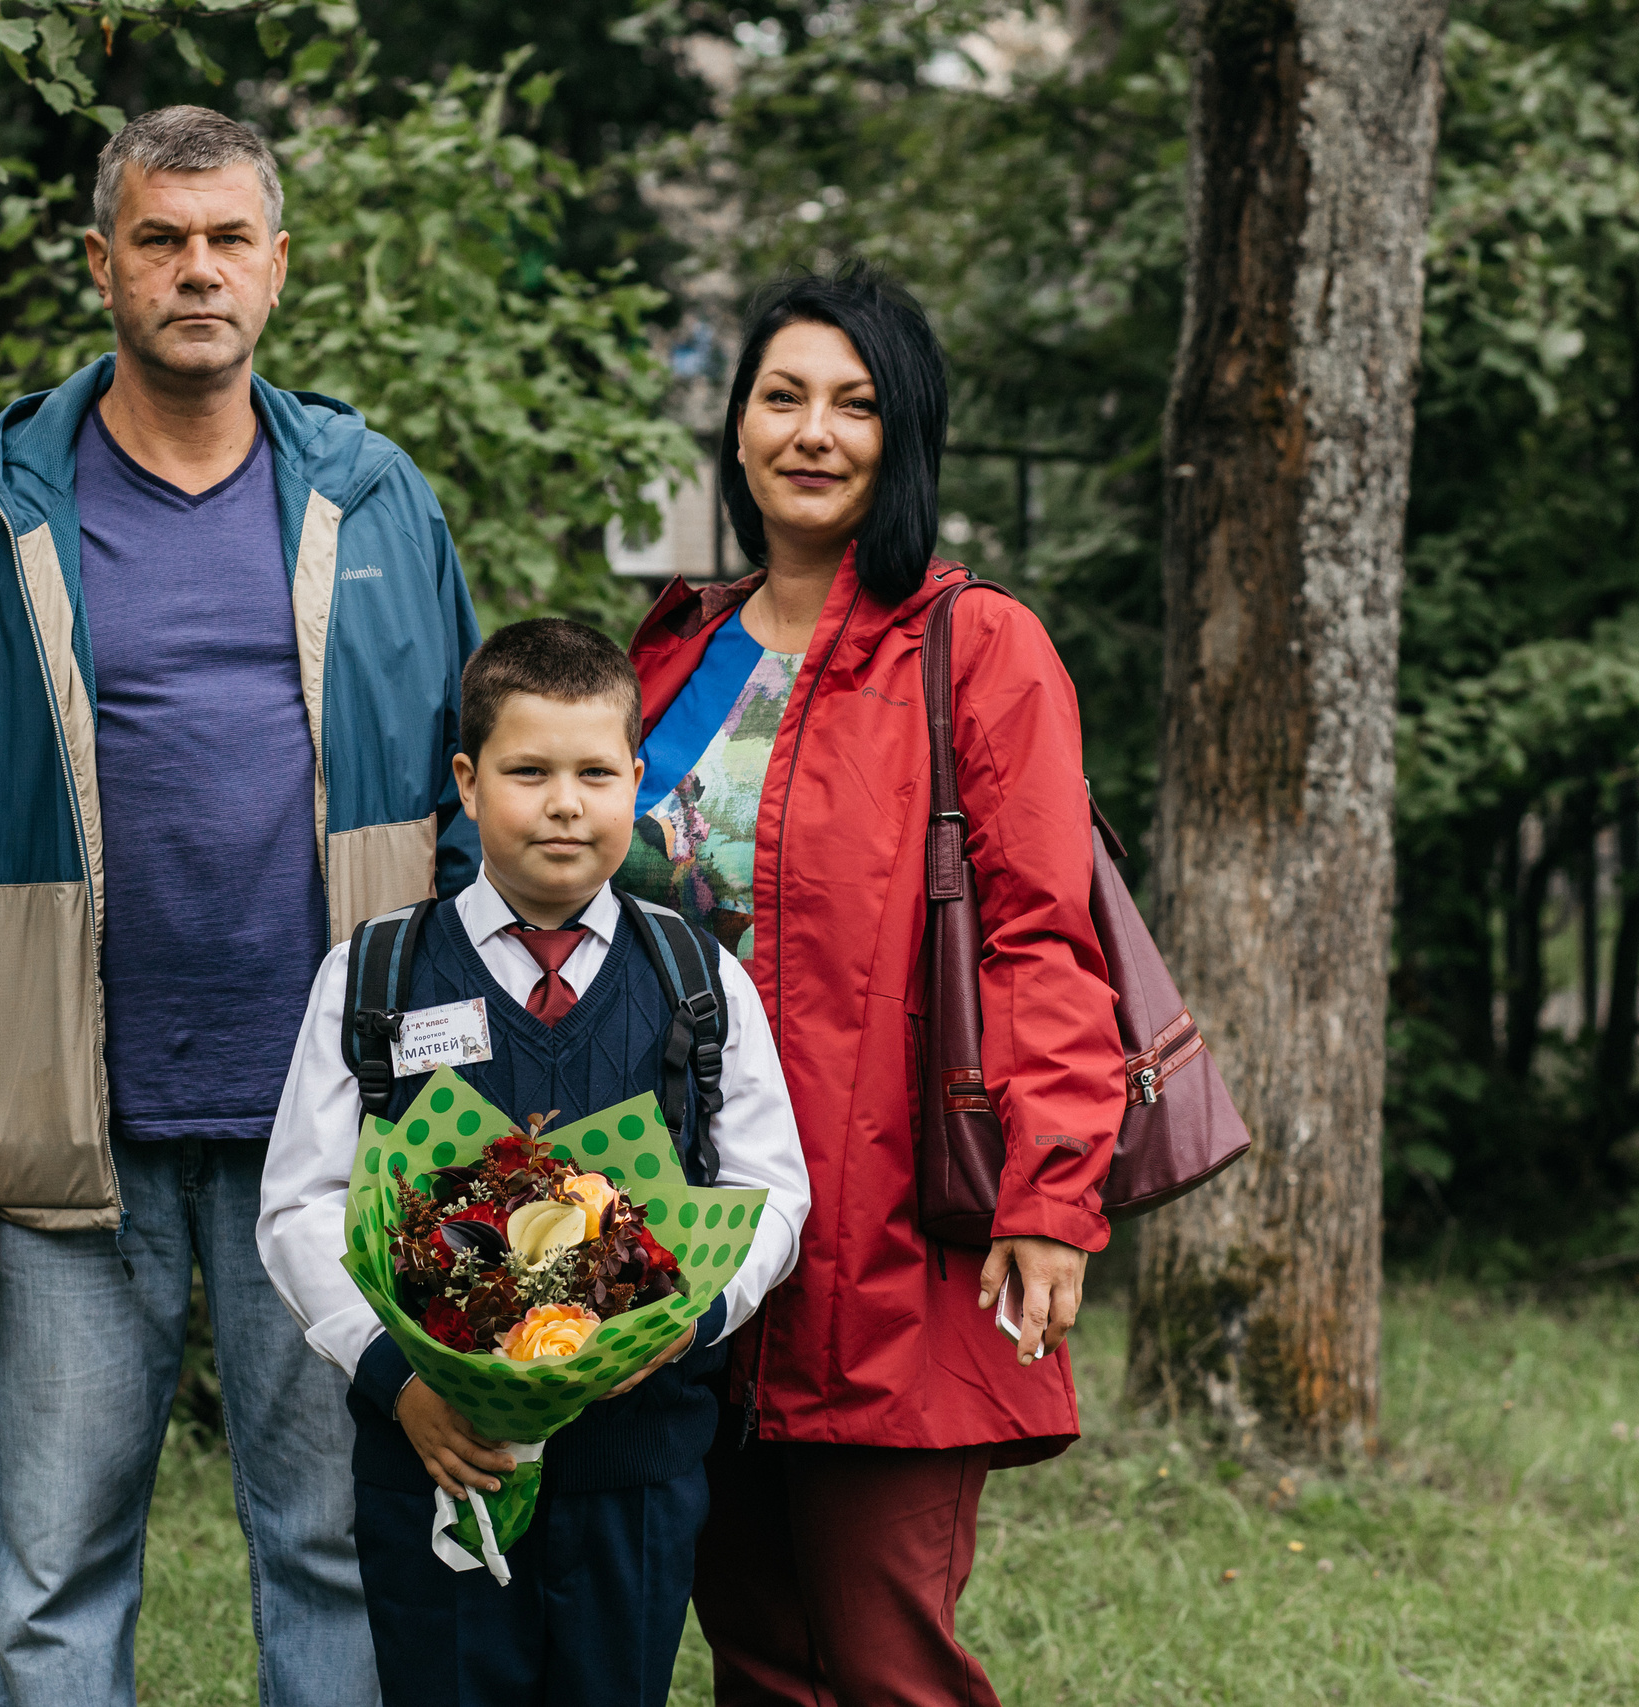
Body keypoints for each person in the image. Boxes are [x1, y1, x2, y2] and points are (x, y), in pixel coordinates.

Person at [0, 105, 480, 1707]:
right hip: (62, 1129)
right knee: (54, 1574)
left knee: (337, 1551)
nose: (196, 269)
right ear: (102, 263)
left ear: (279, 263)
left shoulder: (377, 497)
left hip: (336, 1125)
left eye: (227, 238)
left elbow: (470, 805)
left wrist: (463, 1084)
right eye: (160, 238)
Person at [616, 266, 1126, 1706]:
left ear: (907, 437)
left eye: (857, 403)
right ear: (737, 426)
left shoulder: (979, 647)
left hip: (893, 1227)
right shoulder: (678, 651)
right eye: (783, 396)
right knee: (758, 1650)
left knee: (888, 1654)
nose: (815, 431)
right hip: (690, 1223)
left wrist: (1050, 1194)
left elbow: (1041, 937)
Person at [258, 619, 812, 1707]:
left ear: (637, 782)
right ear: (467, 783)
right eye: (528, 772)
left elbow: (771, 1191)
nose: (565, 802)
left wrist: (690, 1321)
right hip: (438, 1459)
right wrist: (402, 1381)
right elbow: (303, 1206)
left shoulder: (698, 980)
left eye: (596, 773)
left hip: (636, 1471)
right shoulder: (375, 973)